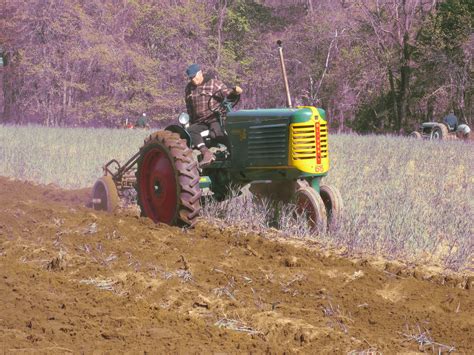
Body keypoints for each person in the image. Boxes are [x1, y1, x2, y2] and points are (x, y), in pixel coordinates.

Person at [184, 63, 242, 167]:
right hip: (200, 121)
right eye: (190, 78)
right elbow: (189, 107)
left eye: (194, 76)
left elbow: (227, 94)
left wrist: (235, 92)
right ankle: (206, 153)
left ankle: (234, 151)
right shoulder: (189, 88)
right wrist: (190, 122)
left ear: (200, 73)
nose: (192, 79)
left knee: (215, 134)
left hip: (214, 118)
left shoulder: (213, 83)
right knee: (190, 131)